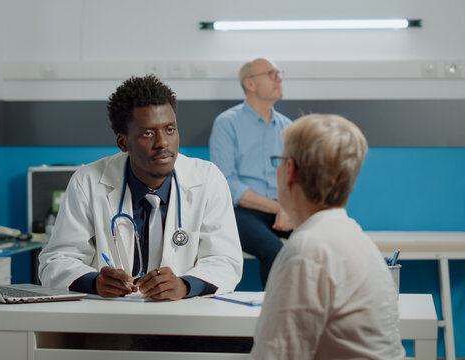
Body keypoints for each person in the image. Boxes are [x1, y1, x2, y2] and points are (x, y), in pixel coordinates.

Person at [38, 75, 243, 301]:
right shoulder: (87, 181)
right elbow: (55, 261)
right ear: (123, 143)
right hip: (112, 318)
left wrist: (184, 285)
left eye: (170, 129)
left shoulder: (207, 179)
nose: (163, 142)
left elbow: (225, 261)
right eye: (148, 133)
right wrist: (95, 282)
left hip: (186, 318)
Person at [251, 114, 405, 359]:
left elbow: (275, 355)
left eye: (279, 161)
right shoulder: (355, 238)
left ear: (290, 170)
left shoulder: (306, 251)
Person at [209, 58, 293, 288]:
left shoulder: (288, 127)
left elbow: (294, 178)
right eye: (271, 74)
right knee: (274, 250)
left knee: (320, 241)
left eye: (279, 73)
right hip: (242, 211)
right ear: (250, 83)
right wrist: (279, 208)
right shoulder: (227, 123)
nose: (279, 78)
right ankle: (275, 315)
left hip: (283, 209)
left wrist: (288, 207)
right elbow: (227, 182)